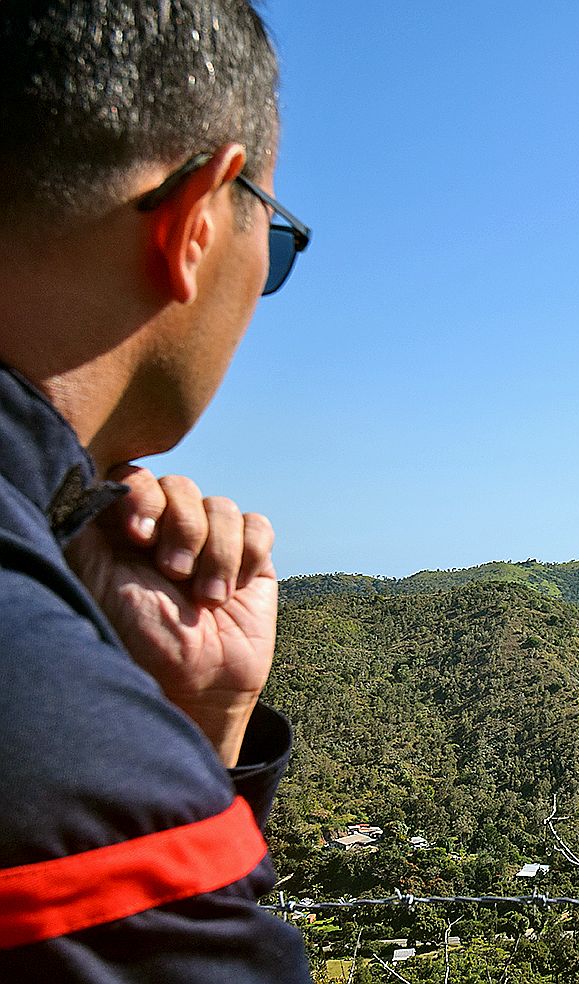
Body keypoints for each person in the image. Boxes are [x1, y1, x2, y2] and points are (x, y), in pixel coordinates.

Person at [0, 2, 313, 979]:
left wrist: (188, 720)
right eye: (280, 244)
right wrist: (131, 760)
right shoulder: (53, 757)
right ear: (196, 218)